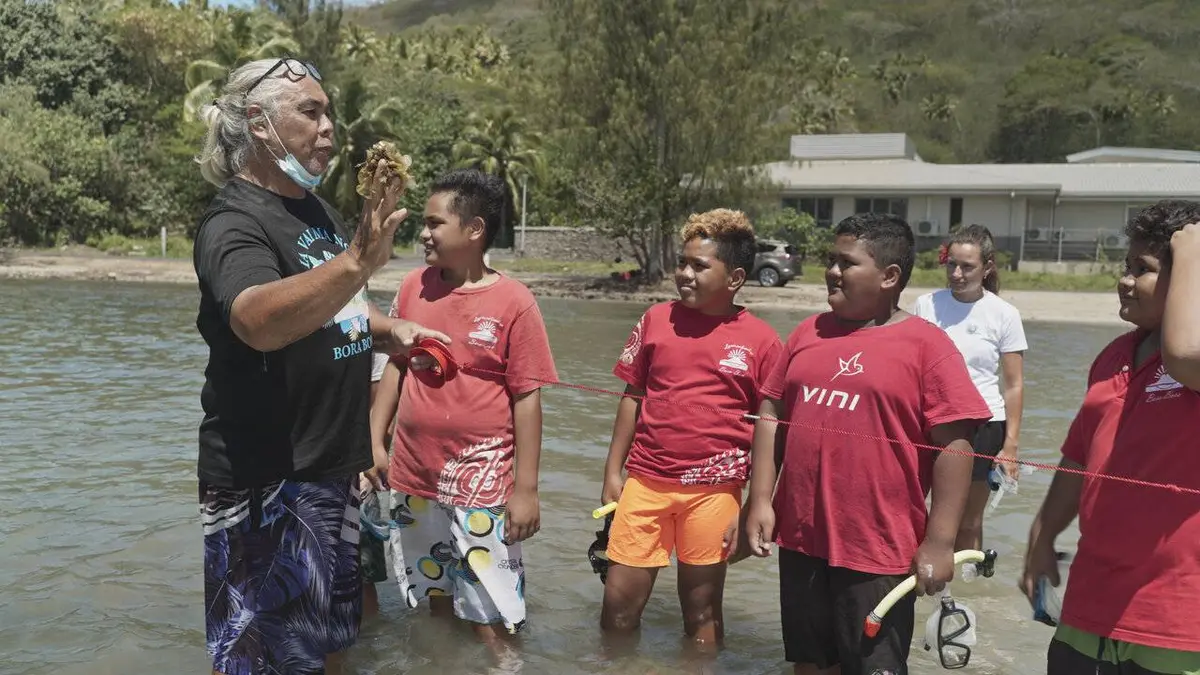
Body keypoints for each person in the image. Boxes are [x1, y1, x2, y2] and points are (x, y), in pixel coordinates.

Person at [191, 57, 449, 675]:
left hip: (331, 469)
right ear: (259, 122)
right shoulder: (234, 221)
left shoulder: (316, 214)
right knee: (263, 660)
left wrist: (392, 333)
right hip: (267, 477)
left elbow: (337, 310)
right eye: (311, 111)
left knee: (332, 645)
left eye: (329, 111)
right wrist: (359, 259)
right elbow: (257, 320)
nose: (330, 127)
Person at [743, 212, 992, 675]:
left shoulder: (927, 347)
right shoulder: (807, 332)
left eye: (847, 262)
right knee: (809, 662)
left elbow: (956, 445)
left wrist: (940, 542)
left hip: (878, 549)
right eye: (831, 261)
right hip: (801, 540)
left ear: (889, 276)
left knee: (872, 666)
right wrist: (760, 499)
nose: (832, 272)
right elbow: (771, 413)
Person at [369, 168, 557, 640]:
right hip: (413, 476)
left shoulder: (515, 302)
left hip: (483, 484)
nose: (424, 232)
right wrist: (373, 440)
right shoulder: (414, 286)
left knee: (492, 618)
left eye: (435, 223)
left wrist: (526, 490)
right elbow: (395, 364)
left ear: (474, 231)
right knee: (436, 603)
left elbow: (527, 398)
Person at [1021, 200, 1200, 675]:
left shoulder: (1190, 357)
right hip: (1092, 602)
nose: (1124, 280)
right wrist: (1041, 537)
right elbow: (1078, 458)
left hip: (1176, 618)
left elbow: (1183, 354)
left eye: (1143, 269)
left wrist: (1194, 252)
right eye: (1126, 265)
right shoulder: (1113, 355)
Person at [599, 209, 783, 647]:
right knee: (617, 608)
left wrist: (757, 503)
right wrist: (612, 469)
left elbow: (770, 429)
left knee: (701, 612)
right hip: (644, 482)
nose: (684, 273)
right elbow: (632, 397)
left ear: (735, 277)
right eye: (683, 262)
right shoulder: (655, 320)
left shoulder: (763, 340)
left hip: (715, 491)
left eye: (700, 266)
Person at [912, 224, 1027, 553]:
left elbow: (1014, 384)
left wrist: (1010, 447)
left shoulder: (1004, 314)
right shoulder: (926, 305)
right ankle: (928, 588)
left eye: (967, 266)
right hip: (930, 421)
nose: (957, 273)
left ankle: (966, 591)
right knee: (926, 510)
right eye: (952, 264)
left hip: (983, 425)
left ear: (987, 266)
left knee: (968, 520)